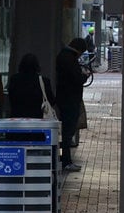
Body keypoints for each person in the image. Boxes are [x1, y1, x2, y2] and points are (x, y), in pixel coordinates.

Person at [55, 37, 88, 172]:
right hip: (70, 99)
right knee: (68, 131)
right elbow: (76, 79)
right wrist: (84, 76)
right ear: (79, 50)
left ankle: (65, 159)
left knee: (67, 130)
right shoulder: (69, 59)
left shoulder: (62, 56)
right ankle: (66, 161)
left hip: (64, 98)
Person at [6, 53, 56, 119]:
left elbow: (11, 99)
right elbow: (51, 101)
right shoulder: (44, 81)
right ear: (37, 66)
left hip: (17, 118)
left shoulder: (14, 79)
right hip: (38, 120)